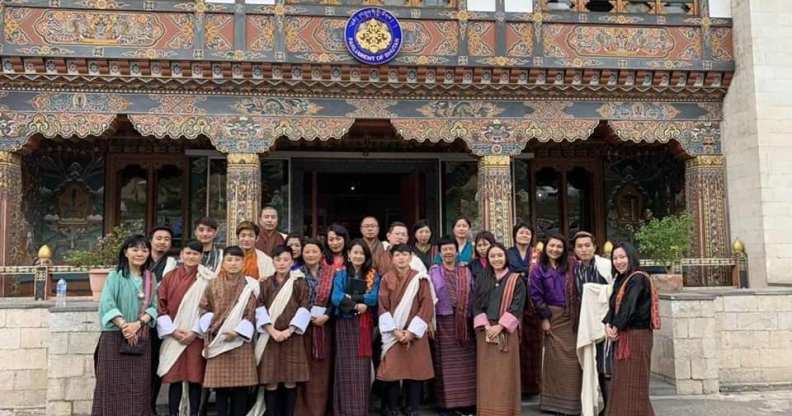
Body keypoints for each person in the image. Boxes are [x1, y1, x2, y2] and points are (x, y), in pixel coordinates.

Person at [92, 234, 158, 416]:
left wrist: (137, 325)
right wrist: (124, 326)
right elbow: (107, 304)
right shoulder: (115, 276)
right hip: (114, 338)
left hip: (140, 338)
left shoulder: (151, 278)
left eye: (144, 250)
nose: (140, 253)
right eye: (135, 249)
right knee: (111, 384)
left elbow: (154, 308)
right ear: (125, 252)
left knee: (139, 386)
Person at [196, 246, 258, 416]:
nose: (233, 263)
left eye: (237, 260)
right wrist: (215, 328)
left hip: (240, 341)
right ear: (223, 263)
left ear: (243, 263)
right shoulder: (213, 284)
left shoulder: (250, 285)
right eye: (229, 260)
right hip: (218, 340)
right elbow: (203, 308)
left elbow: (252, 312)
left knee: (240, 389)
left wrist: (237, 332)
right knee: (221, 389)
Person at [156, 240, 215, 416]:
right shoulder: (169, 277)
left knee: (195, 378)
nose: (191, 257)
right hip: (174, 334)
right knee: (175, 379)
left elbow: (212, 307)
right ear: (181, 254)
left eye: (195, 254)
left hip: (196, 336)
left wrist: (195, 331)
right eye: (188, 253)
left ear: (201, 257)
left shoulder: (207, 279)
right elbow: (160, 305)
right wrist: (173, 331)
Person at [253, 245, 310, 416]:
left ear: (292, 261)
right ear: (273, 261)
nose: (282, 263)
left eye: (286, 259)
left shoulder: (299, 282)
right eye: (278, 259)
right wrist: (272, 331)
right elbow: (259, 307)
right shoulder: (265, 283)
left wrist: (289, 330)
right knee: (271, 380)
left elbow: (304, 307)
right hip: (270, 337)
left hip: (291, 337)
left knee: (290, 380)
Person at [604, 242, 660, 416]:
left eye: (622, 257)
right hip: (624, 335)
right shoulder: (621, 278)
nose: (618, 261)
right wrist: (608, 323)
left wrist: (615, 326)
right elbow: (614, 306)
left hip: (636, 337)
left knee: (635, 382)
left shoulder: (638, 278)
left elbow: (629, 306)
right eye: (615, 258)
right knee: (621, 383)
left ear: (631, 257)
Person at [530, 234, 582, 415]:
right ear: (546, 247)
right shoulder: (538, 269)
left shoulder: (572, 265)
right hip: (552, 317)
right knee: (552, 361)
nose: (555, 249)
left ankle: (572, 404)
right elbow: (536, 295)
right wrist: (544, 318)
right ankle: (552, 404)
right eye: (552, 246)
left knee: (573, 361)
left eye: (559, 246)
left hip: (572, 316)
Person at [473, 242, 526, 416]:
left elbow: (517, 306)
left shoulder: (516, 279)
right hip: (485, 331)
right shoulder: (482, 278)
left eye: (499, 255)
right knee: (487, 374)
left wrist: (501, 326)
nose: (496, 259)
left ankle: (507, 411)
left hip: (506, 331)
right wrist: (487, 326)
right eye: (493, 256)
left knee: (506, 374)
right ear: (488, 259)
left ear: (506, 257)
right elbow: (475, 305)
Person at [330, 239, 382, 416]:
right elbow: (336, 297)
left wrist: (351, 298)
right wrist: (356, 304)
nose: (358, 256)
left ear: (366, 256)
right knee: (344, 367)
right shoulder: (341, 274)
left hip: (364, 325)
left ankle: (360, 410)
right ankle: (343, 410)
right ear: (349, 255)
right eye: (355, 253)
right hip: (345, 324)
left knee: (362, 368)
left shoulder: (372, 275)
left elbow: (374, 298)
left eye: (362, 253)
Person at [428, 237, 476, 414]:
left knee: (466, 366)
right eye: (445, 250)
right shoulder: (433, 272)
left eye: (451, 249)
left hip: (464, 323)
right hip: (443, 323)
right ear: (440, 253)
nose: (448, 252)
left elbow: (474, 293)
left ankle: (467, 403)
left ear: (457, 252)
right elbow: (428, 296)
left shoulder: (466, 271)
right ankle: (445, 405)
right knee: (444, 366)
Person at [295, 238, 335, 416]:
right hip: (301, 329)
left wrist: (327, 315)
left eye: (314, 251)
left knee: (322, 371)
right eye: (307, 252)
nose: (310, 255)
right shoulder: (296, 274)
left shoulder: (332, 273)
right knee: (302, 368)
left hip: (324, 327)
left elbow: (336, 298)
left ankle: (321, 410)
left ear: (321, 254)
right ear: (302, 254)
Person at [506, 222, 542, 396]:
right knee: (516, 345)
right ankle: (516, 387)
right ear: (514, 235)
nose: (524, 235)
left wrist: (522, 274)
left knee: (533, 345)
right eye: (521, 232)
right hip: (514, 302)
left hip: (533, 305)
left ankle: (532, 387)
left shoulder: (537, 254)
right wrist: (522, 274)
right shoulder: (507, 253)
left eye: (528, 232)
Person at [148, 225, 178, 415]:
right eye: (159, 238)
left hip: (159, 320)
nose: (162, 242)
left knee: (155, 365)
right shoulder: (140, 259)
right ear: (151, 240)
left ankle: (150, 405)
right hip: (137, 319)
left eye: (166, 239)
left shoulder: (172, 264)